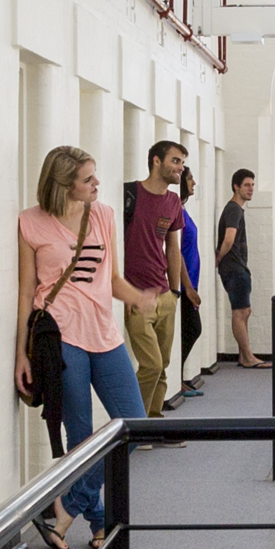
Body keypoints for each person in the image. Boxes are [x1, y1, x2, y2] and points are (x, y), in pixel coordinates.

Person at [18, 145, 144, 547]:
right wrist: (20, 353)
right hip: (59, 337)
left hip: (104, 335)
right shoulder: (30, 223)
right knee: (80, 437)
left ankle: (64, 509)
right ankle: (100, 521)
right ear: (63, 183)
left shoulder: (104, 215)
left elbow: (113, 279)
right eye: (88, 178)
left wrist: (140, 298)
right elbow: (26, 293)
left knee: (135, 424)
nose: (97, 183)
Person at [122, 139, 192, 415]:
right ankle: (133, 425)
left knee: (161, 365)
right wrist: (125, 293)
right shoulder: (130, 194)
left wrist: (175, 293)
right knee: (150, 364)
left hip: (165, 296)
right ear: (156, 161)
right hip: (137, 297)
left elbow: (172, 248)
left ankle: (153, 421)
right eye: (176, 161)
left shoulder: (173, 201)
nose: (181, 168)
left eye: (182, 163)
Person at [215, 167, 260, 363]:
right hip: (234, 268)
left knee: (245, 311)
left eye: (252, 185)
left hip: (238, 267)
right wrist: (219, 257)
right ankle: (248, 357)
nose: (251, 189)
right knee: (240, 312)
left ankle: (244, 355)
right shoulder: (233, 209)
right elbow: (228, 239)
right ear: (236, 187)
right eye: (247, 185)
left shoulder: (236, 209)